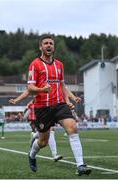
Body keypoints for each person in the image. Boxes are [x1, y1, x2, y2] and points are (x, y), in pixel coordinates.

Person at [27, 34, 92, 176]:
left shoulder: (59, 65)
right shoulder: (35, 64)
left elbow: (62, 85)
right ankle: (32, 155)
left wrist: (72, 97)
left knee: (73, 127)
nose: (49, 45)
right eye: (46, 43)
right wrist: (41, 89)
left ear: (53, 47)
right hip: (42, 107)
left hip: (59, 104)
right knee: (43, 142)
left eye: (51, 43)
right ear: (40, 47)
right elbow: (30, 88)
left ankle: (80, 165)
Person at [9, 91, 63, 162]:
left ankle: (54, 155)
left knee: (50, 131)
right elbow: (25, 116)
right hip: (35, 122)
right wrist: (21, 116)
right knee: (43, 134)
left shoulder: (48, 101)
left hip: (44, 121)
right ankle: (51, 154)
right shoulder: (30, 104)